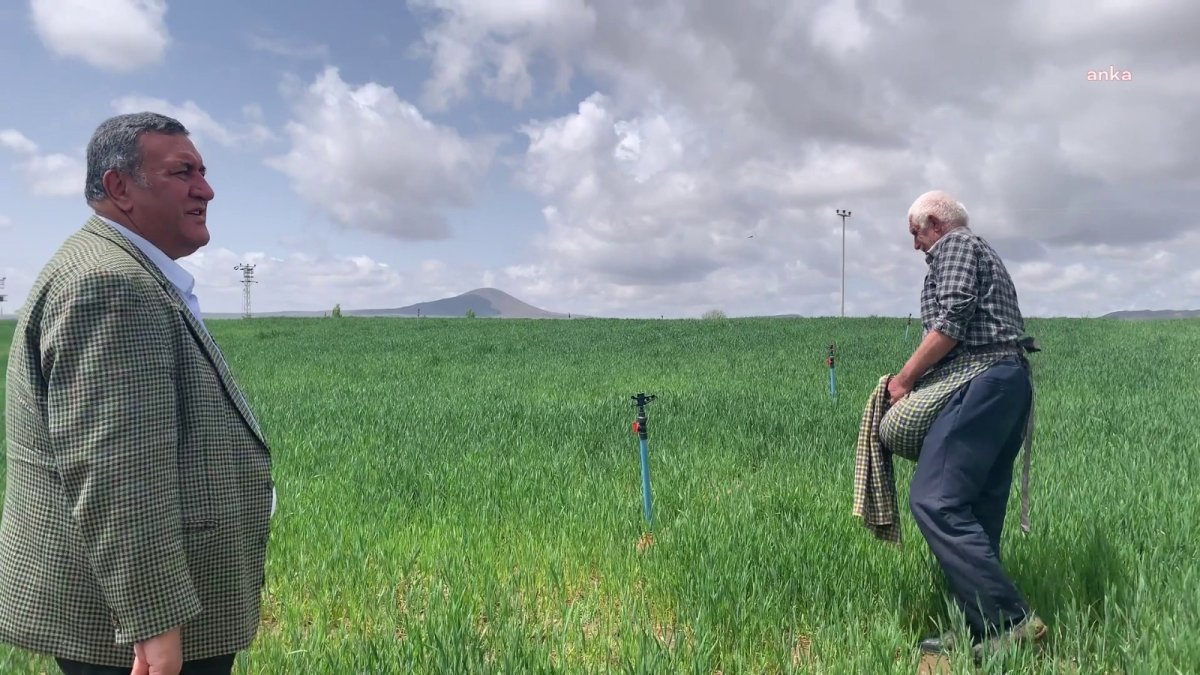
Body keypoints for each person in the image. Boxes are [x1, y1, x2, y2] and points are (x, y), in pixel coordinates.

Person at [0, 112, 274, 675]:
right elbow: (118, 471)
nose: (207, 188)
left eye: (203, 170)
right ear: (119, 187)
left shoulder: (118, 269)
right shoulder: (110, 284)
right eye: (183, 172)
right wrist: (154, 625)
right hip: (132, 633)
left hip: (132, 614)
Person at [887, 190, 1046, 659]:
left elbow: (953, 320)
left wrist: (904, 380)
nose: (916, 245)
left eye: (915, 233)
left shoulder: (955, 245)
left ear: (934, 222)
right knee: (976, 507)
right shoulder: (982, 252)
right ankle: (980, 630)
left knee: (934, 498)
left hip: (982, 378)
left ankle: (1010, 621)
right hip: (1006, 383)